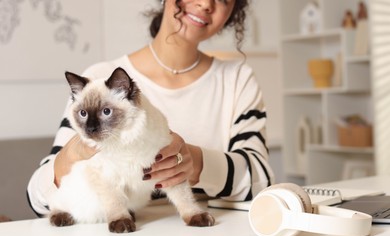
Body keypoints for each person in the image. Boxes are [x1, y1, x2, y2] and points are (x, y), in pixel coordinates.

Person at [27, 0, 275, 216]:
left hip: (208, 234)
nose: (206, 3)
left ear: (233, 11)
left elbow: (261, 181)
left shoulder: (238, 79)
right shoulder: (98, 81)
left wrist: (196, 163)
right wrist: (72, 156)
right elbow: (38, 198)